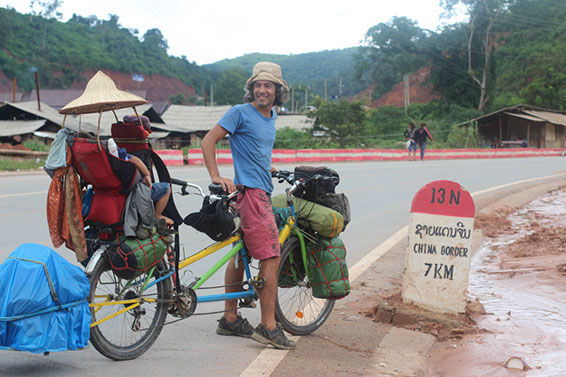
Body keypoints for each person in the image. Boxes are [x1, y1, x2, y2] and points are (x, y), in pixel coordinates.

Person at [201, 62, 296, 350]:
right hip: (251, 195)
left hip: (258, 188)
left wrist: (267, 168)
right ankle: (268, 327)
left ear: (278, 91)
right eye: (257, 85)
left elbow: (254, 150)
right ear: (251, 89)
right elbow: (208, 141)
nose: (262, 90)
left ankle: (230, 318)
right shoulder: (240, 112)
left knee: (239, 253)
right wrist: (216, 176)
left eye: (268, 85)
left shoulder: (271, 117)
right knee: (270, 257)